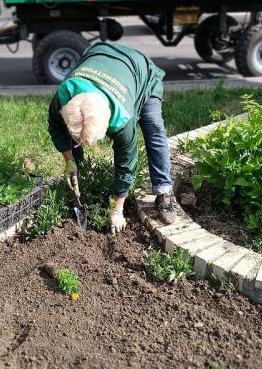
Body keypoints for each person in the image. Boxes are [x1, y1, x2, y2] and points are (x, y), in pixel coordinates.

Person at [48, 42, 177, 234]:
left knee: (154, 127)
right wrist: (70, 163)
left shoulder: (122, 120)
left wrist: (117, 208)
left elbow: (126, 164)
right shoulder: (64, 95)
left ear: (109, 123)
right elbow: (57, 128)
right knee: (75, 138)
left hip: (140, 70)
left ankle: (164, 190)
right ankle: (80, 176)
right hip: (101, 54)